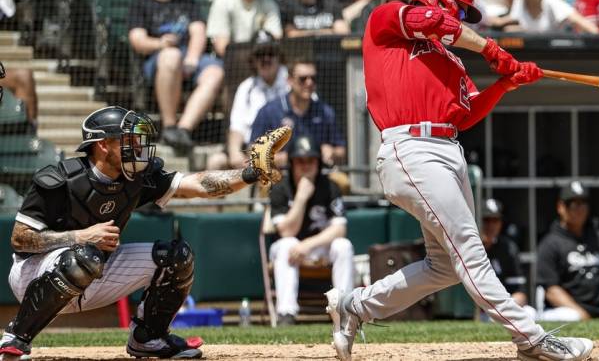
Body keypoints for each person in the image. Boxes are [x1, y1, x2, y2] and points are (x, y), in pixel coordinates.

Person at [324, 0, 593, 361]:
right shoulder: (387, 18)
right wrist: (492, 50)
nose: (464, 19)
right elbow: (433, 22)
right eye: (462, 9)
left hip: (448, 149)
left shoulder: (450, 59)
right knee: (470, 249)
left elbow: (464, 115)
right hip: (411, 147)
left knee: (445, 267)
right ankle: (531, 339)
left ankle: (355, 307)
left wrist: (507, 83)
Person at [0, 106, 276, 359]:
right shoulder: (60, 180)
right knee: (84, 257)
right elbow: (20, 238)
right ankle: (16, 337)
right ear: (103, 145)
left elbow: (198, 185)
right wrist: (81, 236)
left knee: (176, 257)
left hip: (96, 269)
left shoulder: (137, 178)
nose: (138, 146)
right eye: (128, 140)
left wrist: (250, 174)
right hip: (34, 274)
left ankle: (148, 338)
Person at [128, 0, 224, 152]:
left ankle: (183, 129)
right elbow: (137, 40)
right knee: (171, 56)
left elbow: (198, 32)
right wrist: (160, 43)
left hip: (188, 58)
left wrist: (192, 59)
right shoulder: (141, 3)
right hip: (156, 61)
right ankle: (169, 125)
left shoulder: (188, 2)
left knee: (215, 71)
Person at [268, 135, 354, 325]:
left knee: (343, 245)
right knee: (287, 244)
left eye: (311, 160)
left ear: (318, 162)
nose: (306, 166)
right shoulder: (280, 187)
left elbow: (339, 229)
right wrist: (300, 198)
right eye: (300, 161)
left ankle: (344, 312)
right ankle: (286, 313)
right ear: (292, 162)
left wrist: (308, 244)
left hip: (317, 246)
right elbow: (286, 232)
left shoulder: (330, 186)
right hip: (288, 250)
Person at [536, 181, 599, 321]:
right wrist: (581, 314)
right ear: (561, 207)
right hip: (563, 311)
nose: (579, 209)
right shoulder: (550, 243)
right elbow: (551, 290)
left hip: (597, 310)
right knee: (572, 316)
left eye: (583, 203)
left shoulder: (597, 237)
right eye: (573, 204)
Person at [206, 42, 289, 170]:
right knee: (216, 162)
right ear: (254, 61)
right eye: (260, 55)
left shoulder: (293, 82)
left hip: (284, 151)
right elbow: (237, 125)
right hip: (250, 150)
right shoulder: (246, 87)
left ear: (279, 58)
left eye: (270, 54)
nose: (265, 59)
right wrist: (235, 153)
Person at [250, 60, 347, 168]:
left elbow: (342, 150)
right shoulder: (269, 112)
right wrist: (285, 158)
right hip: (281, 176)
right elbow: (253, 153)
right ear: (290, 80)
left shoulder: (325, 112)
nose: (309, 83)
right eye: (303, 79)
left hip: (318, 176)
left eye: (313, 78)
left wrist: (332, 152)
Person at [480, 199, 536, 318]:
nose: (490, 225)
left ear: (501, 223)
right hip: (478, 310)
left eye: (495, 220)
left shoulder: (508, 248)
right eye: (486, 220)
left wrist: (503, 308)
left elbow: (520, 293)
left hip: (502, 309)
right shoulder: (468, 247)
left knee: (530, 312)